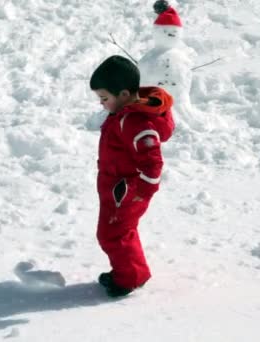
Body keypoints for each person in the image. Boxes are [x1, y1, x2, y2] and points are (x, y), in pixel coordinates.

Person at [89, 55, 175, 297]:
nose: (102, 104)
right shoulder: (124, 114)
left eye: (104, 98)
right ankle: (129, 271)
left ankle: (127, 279)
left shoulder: (135, 122)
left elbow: (153, 163)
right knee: (120, 231)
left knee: (112, 234)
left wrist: (141, 193)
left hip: (126, 191)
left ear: (124, 94)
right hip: (116, 185)